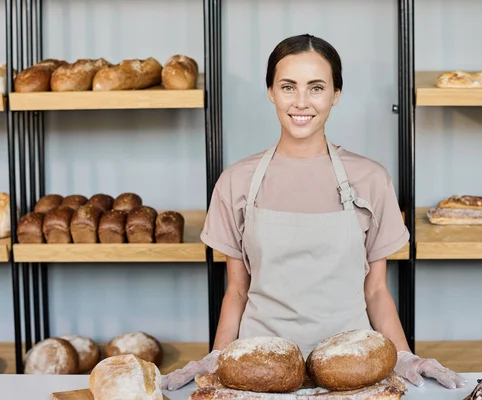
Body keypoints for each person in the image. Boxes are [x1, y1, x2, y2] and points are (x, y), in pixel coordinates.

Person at [162, 33, 466, 392]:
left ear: (336, 95)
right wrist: (218, 355)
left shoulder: (370, 179)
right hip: (259, 369)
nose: (301, 102)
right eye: (288, 87)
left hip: (353, 369)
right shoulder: (235, 182)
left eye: (316, 88)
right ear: (271, 92)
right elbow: (237, 290)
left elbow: (376, 291)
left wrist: (403, 355)